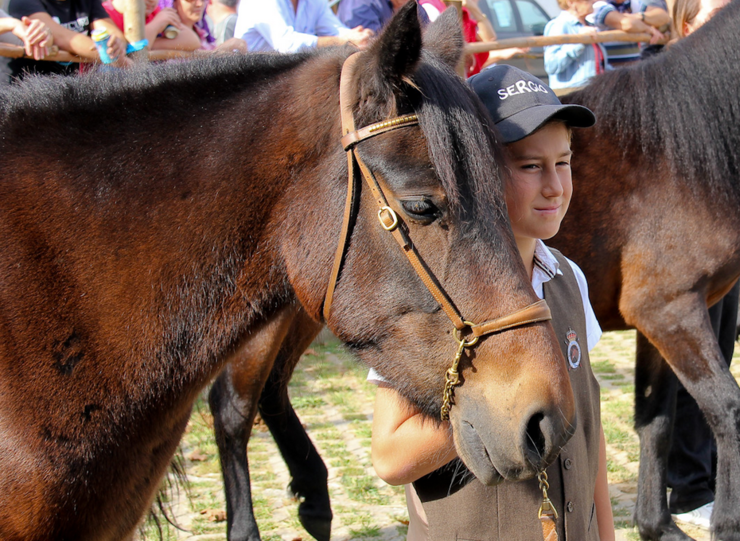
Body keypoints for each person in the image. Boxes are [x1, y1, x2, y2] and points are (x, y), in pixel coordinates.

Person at [370, 64, 615, 541]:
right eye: (529, 166)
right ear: (477, 170)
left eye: (563, 162)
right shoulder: (431, 295)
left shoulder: (570, 279)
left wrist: (604, 532)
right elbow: (390, 455)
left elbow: (591, 431)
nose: (555, 185)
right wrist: (508, 399)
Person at [663, 0, 735, 529]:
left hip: (725, 250)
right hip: (682, 255)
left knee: (720, 360)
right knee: (695, 369)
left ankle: (706, 475)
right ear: (686, 24)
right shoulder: (667, 87)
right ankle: (689, 488)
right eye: (714, 13)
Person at [8, 0, 131, 77]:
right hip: (27, 86)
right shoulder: (22, 2)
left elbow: (110, 31)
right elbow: (64, 39)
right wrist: (116, 58)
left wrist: (117, 43)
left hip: (71, 86)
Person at [418, 0, 527, 77]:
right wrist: (500, 54)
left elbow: (490, 38)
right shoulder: (431, 8)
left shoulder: (463, 11)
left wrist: (474, 7)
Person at [233, 0, 373, 53]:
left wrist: (360, 37)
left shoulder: (313, 2)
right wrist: (344, 41)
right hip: (252, 85)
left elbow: (337, 30)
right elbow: (287, 45)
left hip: (284, 79)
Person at [543, 0, 608, 91]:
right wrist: (579, 42)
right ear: (571, 2)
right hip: (571, 95)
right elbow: (552, 65)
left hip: (592, 93)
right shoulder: (559, 25)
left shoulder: (589, 25)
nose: (593, 1)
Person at [591, 0, 666, 66]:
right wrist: (649, 29)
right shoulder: (598, 6)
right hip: (608, 70)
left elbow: (663, 17)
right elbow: (627, 24)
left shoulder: (632, 3)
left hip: (632, 69)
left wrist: (638, 16)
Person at [102, 0, 198, 51]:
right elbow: (132, 54)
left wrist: (148, 44)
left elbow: (193, 41)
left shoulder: (154, 13)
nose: (152, 0)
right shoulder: (104, 16)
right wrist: (155, 26)